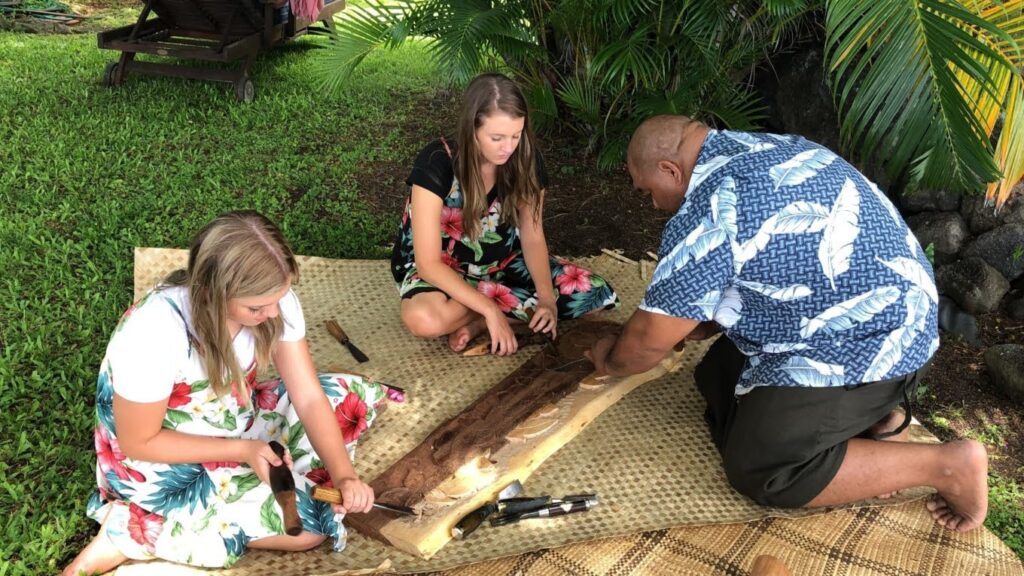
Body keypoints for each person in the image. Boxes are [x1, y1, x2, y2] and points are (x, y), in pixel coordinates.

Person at [588, 115, 988, 532]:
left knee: (761, 468)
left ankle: (947, 465)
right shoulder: (773, 146)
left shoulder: (709, 210)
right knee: (717, 376)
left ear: (671, 170)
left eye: (648, 191)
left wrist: (611, 360)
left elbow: (647, 345)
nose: (652, 204)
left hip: (874, 345)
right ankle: (874, 418)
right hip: (899, 317)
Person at [64, 211, 390, 575]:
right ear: (212, 292)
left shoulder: (273, 306)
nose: (271, 314)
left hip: (231, 416)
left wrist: (344, 475)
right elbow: (140, 442)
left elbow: (309, 396)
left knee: (341, 393)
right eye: (255, 307)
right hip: (162, 454)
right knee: (308, 527)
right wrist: (244, 451)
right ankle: (129, 533)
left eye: (277, 299)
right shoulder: (153, 333)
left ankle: (264, 474)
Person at [391, 73, 619, 356]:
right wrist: (490, 309)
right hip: (444, 269)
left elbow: (533, 237)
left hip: (502, 264)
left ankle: (476, 321)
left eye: (516, 135)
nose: (508, 147)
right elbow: (427, 264)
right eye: (496, 137)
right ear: (472, 129)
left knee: (595, 295)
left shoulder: (526, 160)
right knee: (423, 319)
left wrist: (547, 300)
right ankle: (494, 310)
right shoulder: (437, 162)